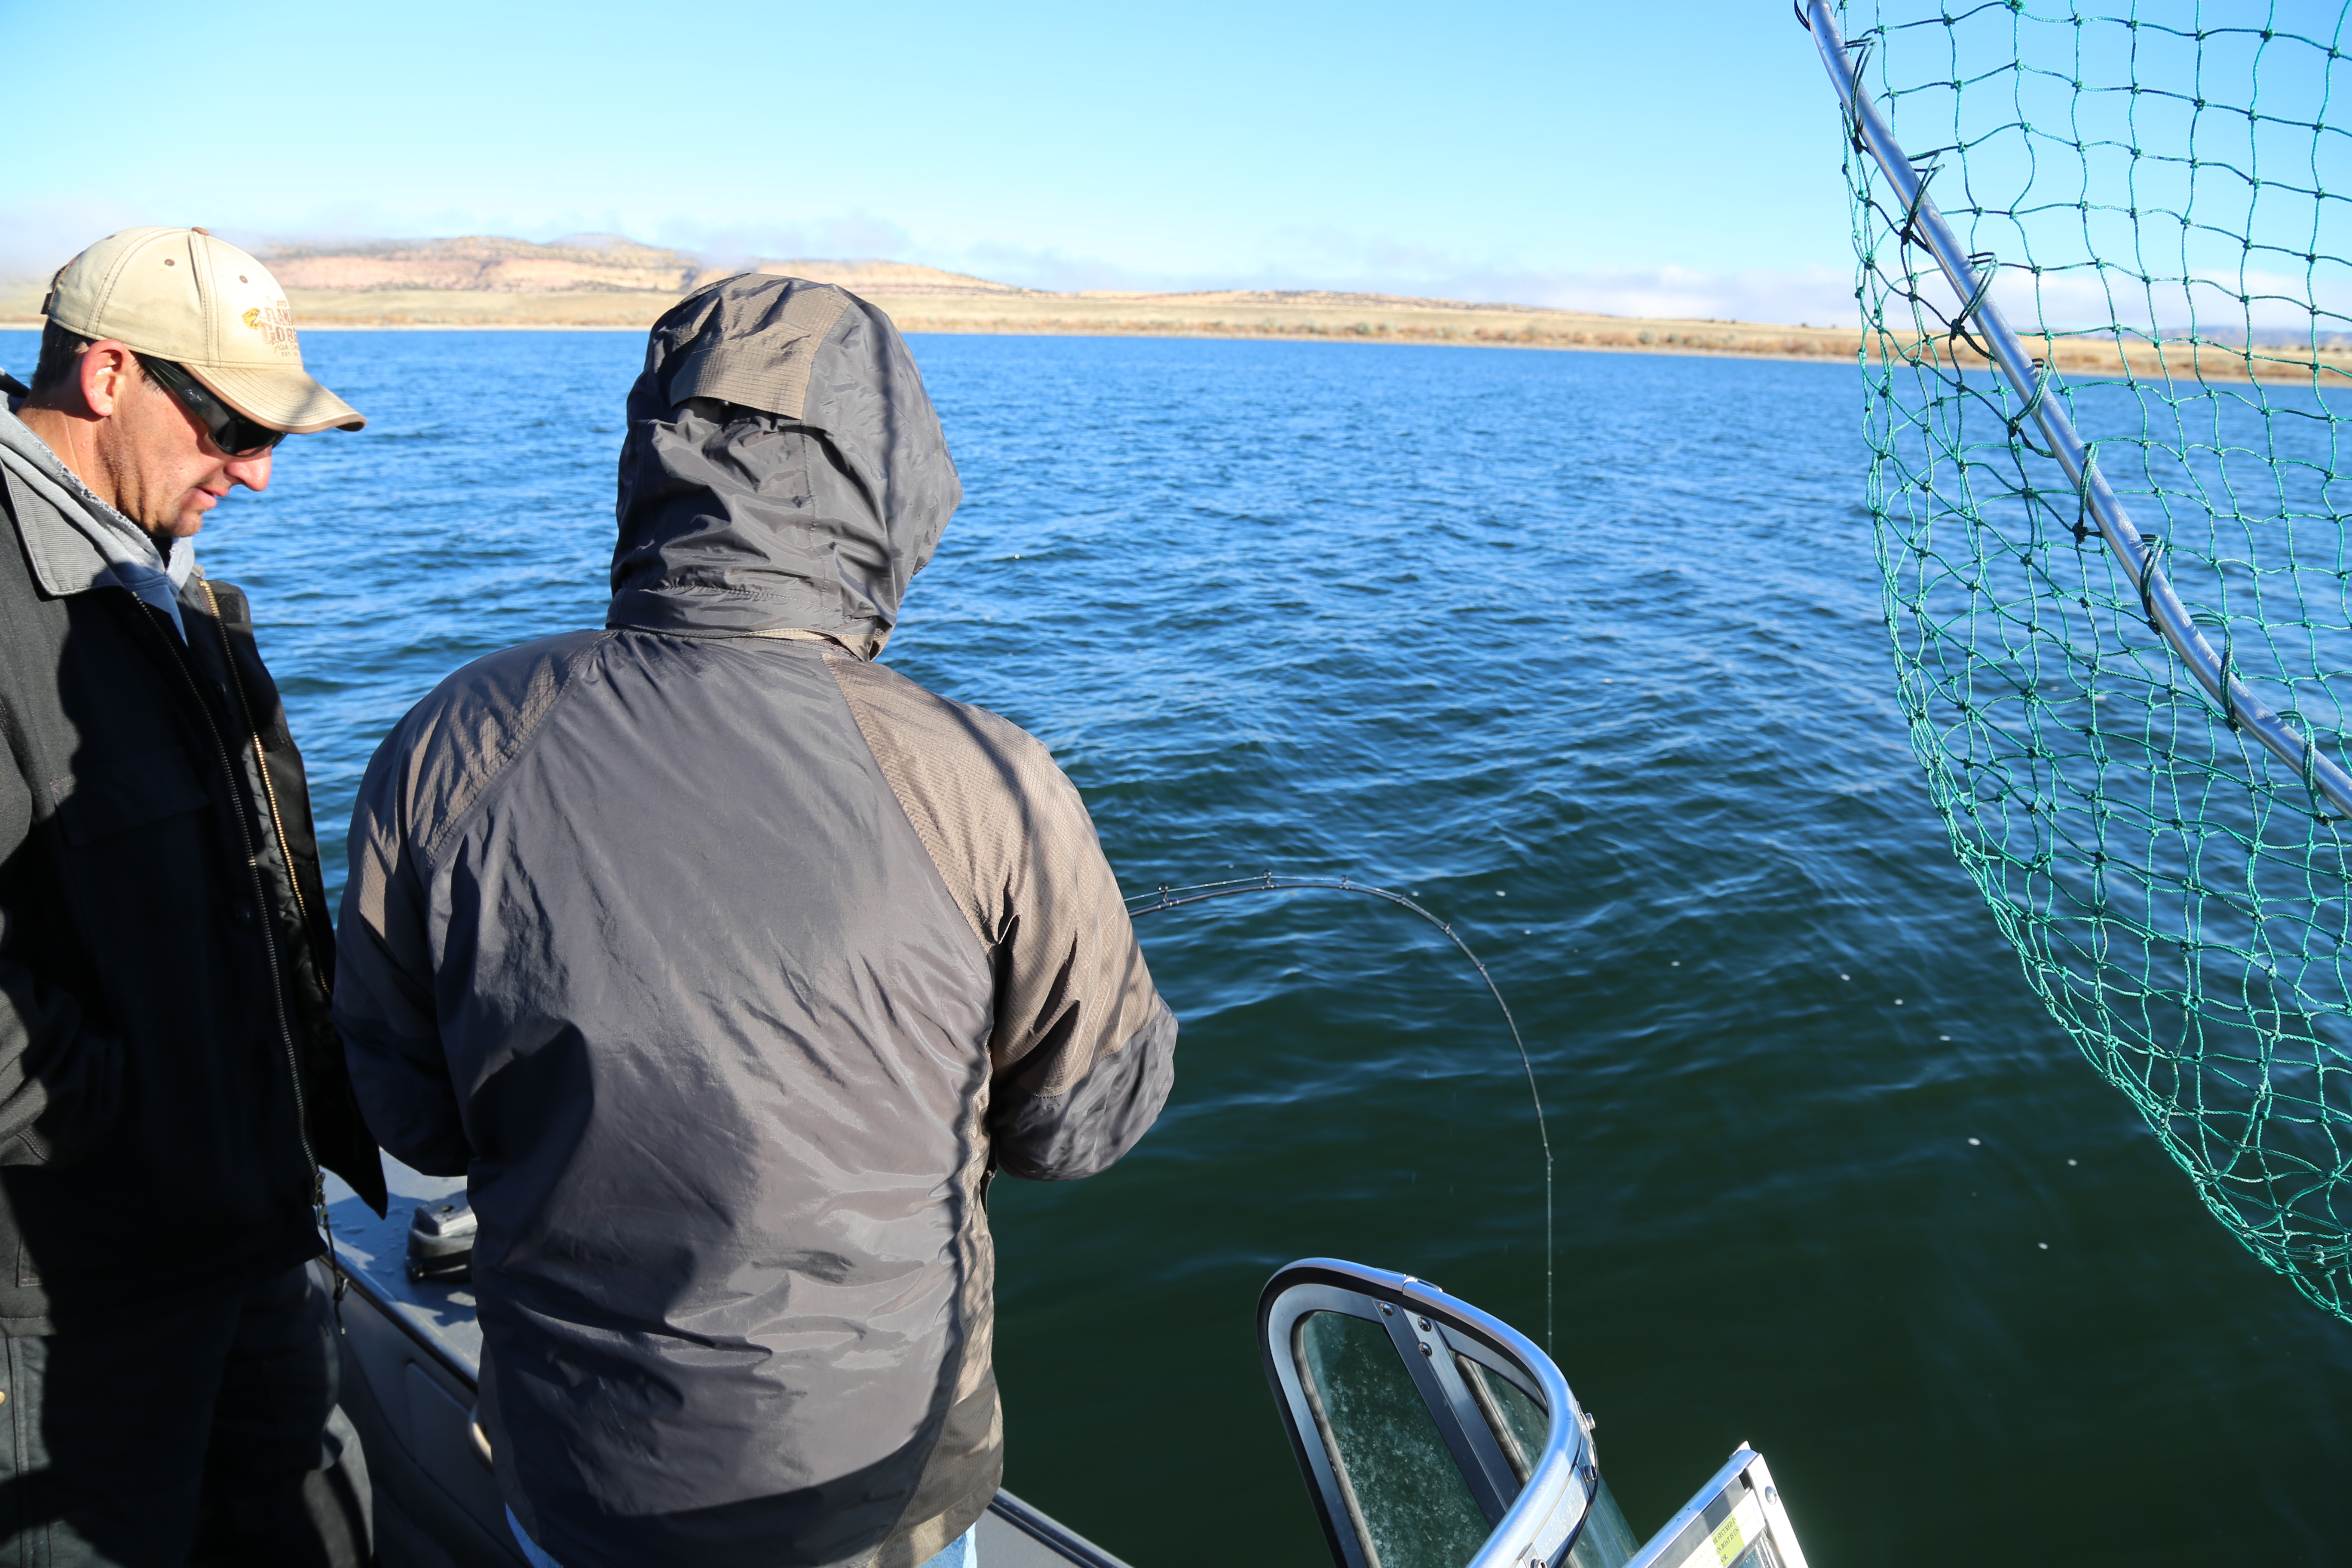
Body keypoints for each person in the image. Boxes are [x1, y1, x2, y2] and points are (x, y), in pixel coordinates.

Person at [334, 273, 1178, 1568]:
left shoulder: (450, 740)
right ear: (892, 489)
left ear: (653, 459)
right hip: (878, 1490)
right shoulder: (989, 781)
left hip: (573, 1472)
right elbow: (1081, 1125)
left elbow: (414, 1121)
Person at [0, 226, 386, 1566]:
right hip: (74, 1295)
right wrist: (119, 1108)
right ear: (108, 375)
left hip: (253, 1233)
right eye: (229, 423)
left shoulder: (173, 587)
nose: (260, 473)